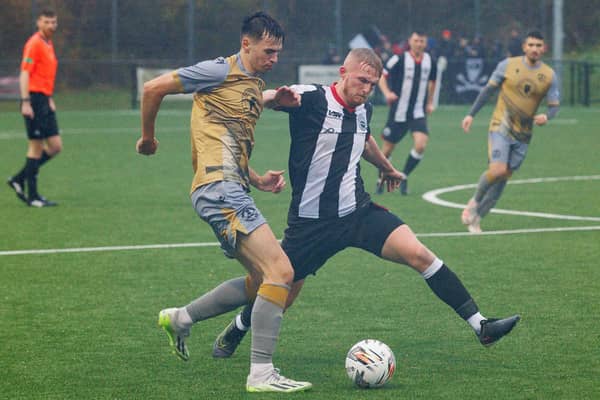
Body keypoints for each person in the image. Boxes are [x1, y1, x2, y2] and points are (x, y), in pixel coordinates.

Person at [208, 48, 520, 363]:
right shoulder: (311, 98)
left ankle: (481, 326)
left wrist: (386, 167)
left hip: (358, 213)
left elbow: (365, 140)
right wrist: (255, 102)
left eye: (372, 84)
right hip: (312, 224)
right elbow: (275, 95)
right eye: (362, 80)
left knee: (419, 254)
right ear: (343, 72)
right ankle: (237, 327)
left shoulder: (364, 109)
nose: (366, 89)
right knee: (282, 293)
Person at [136, 11, 311, 393]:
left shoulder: (249, 84)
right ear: (246, 44)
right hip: (219, 189)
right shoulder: (218, 70)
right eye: (269, 51)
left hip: (228, 187)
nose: (275, 59)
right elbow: (153, 88)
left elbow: (228, 133)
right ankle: (262, 374)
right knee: (283, 271)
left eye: (279, 52)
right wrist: (148, 138)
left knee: (262, 280)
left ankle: (183, 317)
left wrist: (258, 177)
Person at [461, 31, 560, 233]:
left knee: (503, 178)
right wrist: (471, 114)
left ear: (544, 49)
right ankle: (474, 201)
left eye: (538, 45)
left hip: (523, 134)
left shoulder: (549, 75)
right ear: (524, 47)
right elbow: (487, 91)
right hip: (501, 125)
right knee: (497, 170)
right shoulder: (507, 65)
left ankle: (477, 218)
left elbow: (554, 105)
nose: (534, 48)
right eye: (531, 44)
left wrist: (547, 116)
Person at [7, 8, 61, 207]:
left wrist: (50, 97)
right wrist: (25, 101)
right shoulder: (34, 44)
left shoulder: (48, 44)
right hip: (34, 99)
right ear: (39, 23)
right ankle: (33, 196)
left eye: (54, 22)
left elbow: (45, 74)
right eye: (47, 22)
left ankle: (18, 179)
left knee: (55, 147)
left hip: (44, 99)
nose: (51, 26)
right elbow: (25, 73)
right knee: (36, 146)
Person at [376, 31, 437, 195]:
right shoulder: (399, 58)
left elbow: (432, 81)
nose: (419, 44)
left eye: (422, 41)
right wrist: (387, 93)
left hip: (418, 111)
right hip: (399, 111)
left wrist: (430, 102)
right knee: (387, 150)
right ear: (410, 41)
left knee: (421, 145)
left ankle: (403, 176)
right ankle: (381, 178)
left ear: (425, 43)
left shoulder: (430, 60)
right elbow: (382, 74)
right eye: (416, 40)